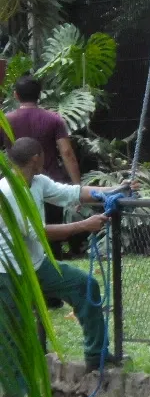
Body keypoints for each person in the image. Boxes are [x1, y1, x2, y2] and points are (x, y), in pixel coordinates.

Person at [0, 137, 132, 371]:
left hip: (36, 264)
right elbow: (39, 233)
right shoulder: (9, 192)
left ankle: (96, 355)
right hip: (9, 273)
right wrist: (84, 225)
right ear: (36, 159)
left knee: (84, 285)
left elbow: (72, 193)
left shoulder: (37, 181)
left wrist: (116, 189)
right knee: (14, 334)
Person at [4, 74, 84, 259]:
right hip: (50, 186)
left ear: (16, 95)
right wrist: (76, 187)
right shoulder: (53, 119)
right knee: (52, 239)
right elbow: (67, 153)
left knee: (18, 239)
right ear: (40, 95)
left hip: (16, 186)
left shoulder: (6, 121)